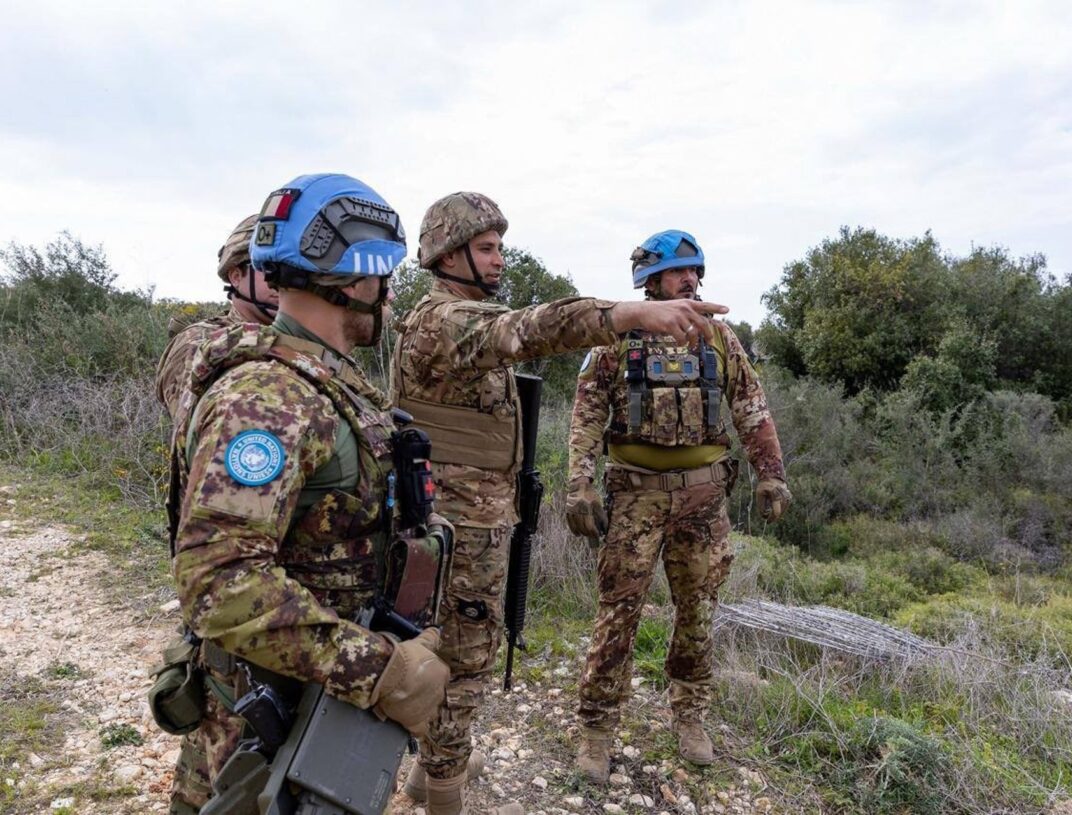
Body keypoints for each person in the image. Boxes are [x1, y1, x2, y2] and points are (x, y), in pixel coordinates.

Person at [392, 193, 729, 815]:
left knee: (458, 647)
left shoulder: (441, 318)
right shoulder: (449, 321)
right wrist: (629, 314)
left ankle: (432, 770)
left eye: (498, 247)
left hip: (468, 515)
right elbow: (536, 328)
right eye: (487, 249)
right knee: (465, 658)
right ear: (449, 254)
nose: (498, 260)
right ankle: (443, 791)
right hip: (463, 523)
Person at [165, 174, 450, 814]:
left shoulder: (319, 381)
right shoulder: (269, 398)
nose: (388, 295)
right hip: (267, 715)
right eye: (384, 279)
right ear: (353, 281)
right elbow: (218, 579)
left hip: (304, 699)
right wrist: (377, 670)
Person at [565, 229, 791, 784]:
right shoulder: (617, 341)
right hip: (635, 498)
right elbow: (586, 414)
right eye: (678, 272)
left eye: (695, 271)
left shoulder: (720, 341)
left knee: (697, 614)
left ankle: (690, 717)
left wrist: (772, 476)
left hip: (702, 498)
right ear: (651, 280)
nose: (690, 280)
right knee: (617, 614)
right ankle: (595, 731)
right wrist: (580, 485)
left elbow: (752, 409)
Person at [155, 214, 279, 417]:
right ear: (236, 276)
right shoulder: (198, 342)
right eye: (268, 267)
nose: (280, 281)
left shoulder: (303, 338)